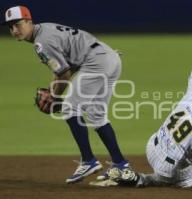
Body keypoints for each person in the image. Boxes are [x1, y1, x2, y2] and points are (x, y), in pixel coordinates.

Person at [2, 5, 132, 184]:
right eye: (10, 27)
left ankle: (88, 161)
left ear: (29, 21)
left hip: (97, 62)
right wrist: (52, 89)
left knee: (70, 107)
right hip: (109, 57)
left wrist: (53, 95)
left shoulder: (41, 43)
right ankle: (121, 165)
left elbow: (64, 74)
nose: (15, 30)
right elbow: (68, 66)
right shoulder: (46, 29)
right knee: (96, 115)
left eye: (18, 24)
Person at [90, 49, 192, 190]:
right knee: (188, 178)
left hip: (152, 147)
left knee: (181, 152)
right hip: (168, 167)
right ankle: (140, 179)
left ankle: (132, 176)